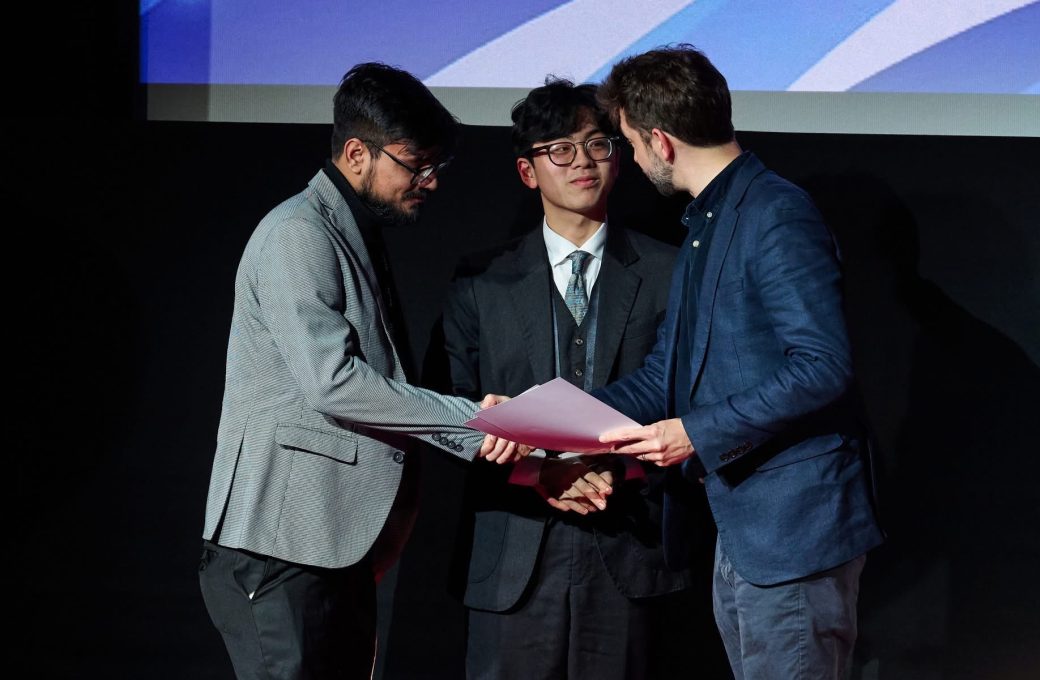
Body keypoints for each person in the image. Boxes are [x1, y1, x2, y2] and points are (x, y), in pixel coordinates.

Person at [197, 62, 524, 680]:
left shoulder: (349, 230)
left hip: (328, 548)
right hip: (279, 549)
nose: (429, 181)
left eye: (436, 167)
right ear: (355, 153)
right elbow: (334, 383)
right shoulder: (299, 233)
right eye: (414, 163)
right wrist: (475, 421)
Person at [589, 45, 885, 679]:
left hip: (792, 533)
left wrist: (695, 431)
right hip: (743, 529)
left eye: (630, 146)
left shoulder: (776, 213)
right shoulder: (707, 221)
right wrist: (558, 417)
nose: (632, 162)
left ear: (660, 142)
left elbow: (823, 366)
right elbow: (665, 370)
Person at [441, 78, 690, 680]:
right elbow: (446, 409)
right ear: (529, 172)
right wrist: (537, 470)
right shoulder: (481, 280)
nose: (581, 161)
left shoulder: (669, 269)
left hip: (630, 548)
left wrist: (617, 466)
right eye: (559, 149)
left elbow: (690, 397)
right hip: (513, 553)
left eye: (597, 144)